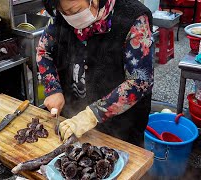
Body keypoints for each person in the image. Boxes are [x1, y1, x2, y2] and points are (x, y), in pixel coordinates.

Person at [37, 0, 154, 146]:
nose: (70, 17)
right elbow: (44, 50)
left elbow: (140, 81)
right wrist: (52, 88)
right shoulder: (61, 15)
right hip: (73, 118)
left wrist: (92, 115)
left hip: (120, 127)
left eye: (75, 10)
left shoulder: (133, 18)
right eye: (64, 13)